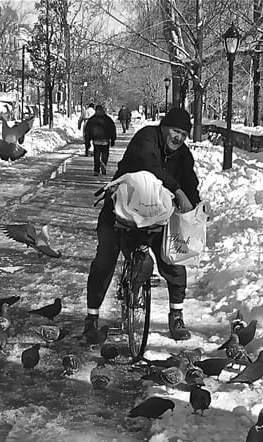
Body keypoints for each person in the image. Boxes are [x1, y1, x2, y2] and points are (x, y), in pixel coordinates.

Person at [86, 107, 200, 341]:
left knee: (173, 257)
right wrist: (177, 191)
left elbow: (189, 181)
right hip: (122, 209)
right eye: (175, 131)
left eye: (184, 134)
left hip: (157, 215)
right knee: (105, 258)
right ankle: (92, 318)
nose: (178, 138)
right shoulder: (146, 138)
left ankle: (176, 315)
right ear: (164, 127)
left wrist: (195, 206)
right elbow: (148, 166)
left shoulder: (184, 155)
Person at [83, 105, 117, 176]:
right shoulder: (108, 119)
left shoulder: (92, 119)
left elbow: (87, 131)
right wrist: (113, 139)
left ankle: (96, 170)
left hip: (96, 140)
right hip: (105, 140)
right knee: (105, 153)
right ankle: (103, 163)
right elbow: (112, 129)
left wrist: (87, 142)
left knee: (96, 155)